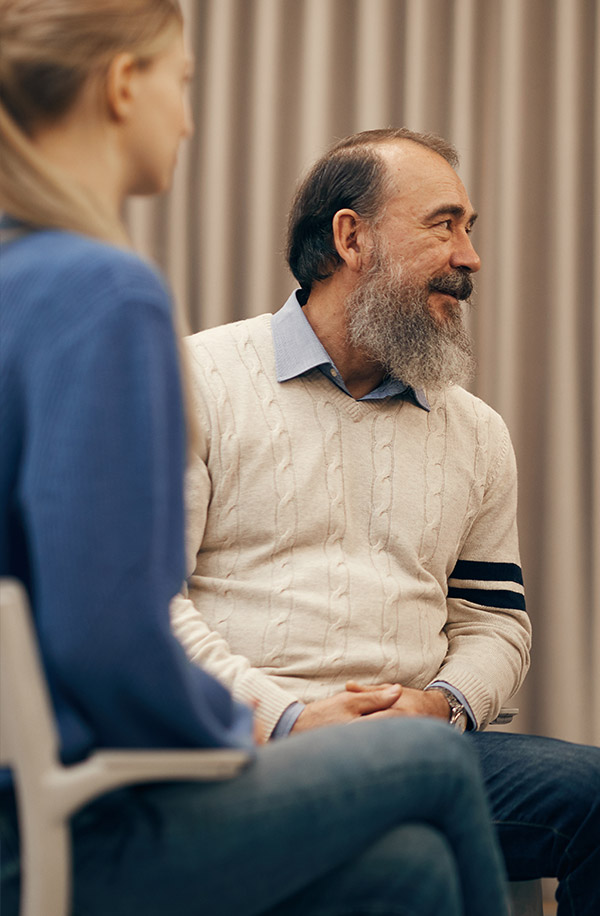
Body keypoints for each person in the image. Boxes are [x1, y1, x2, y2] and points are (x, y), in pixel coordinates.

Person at [0, 4, 512, 915]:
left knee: (409, 874)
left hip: (57, 786)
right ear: (124, 86)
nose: (190, 118)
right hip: (85, 813)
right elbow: (106, 635)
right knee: (429, 761)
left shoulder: (22, 278)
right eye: (183, 84)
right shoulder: (105, 292)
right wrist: (260, 732)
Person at [172, 128, 600, 915]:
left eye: (469, 229)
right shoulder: (197, 382)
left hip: (425, 745)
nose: (469, 257)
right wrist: (290, 718)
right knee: (409, 857)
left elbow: (495, 621)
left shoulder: (475, 431)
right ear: (351, 237)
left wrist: (440, 704)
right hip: (245, 750)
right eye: (444, 225)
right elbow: (146, 606)